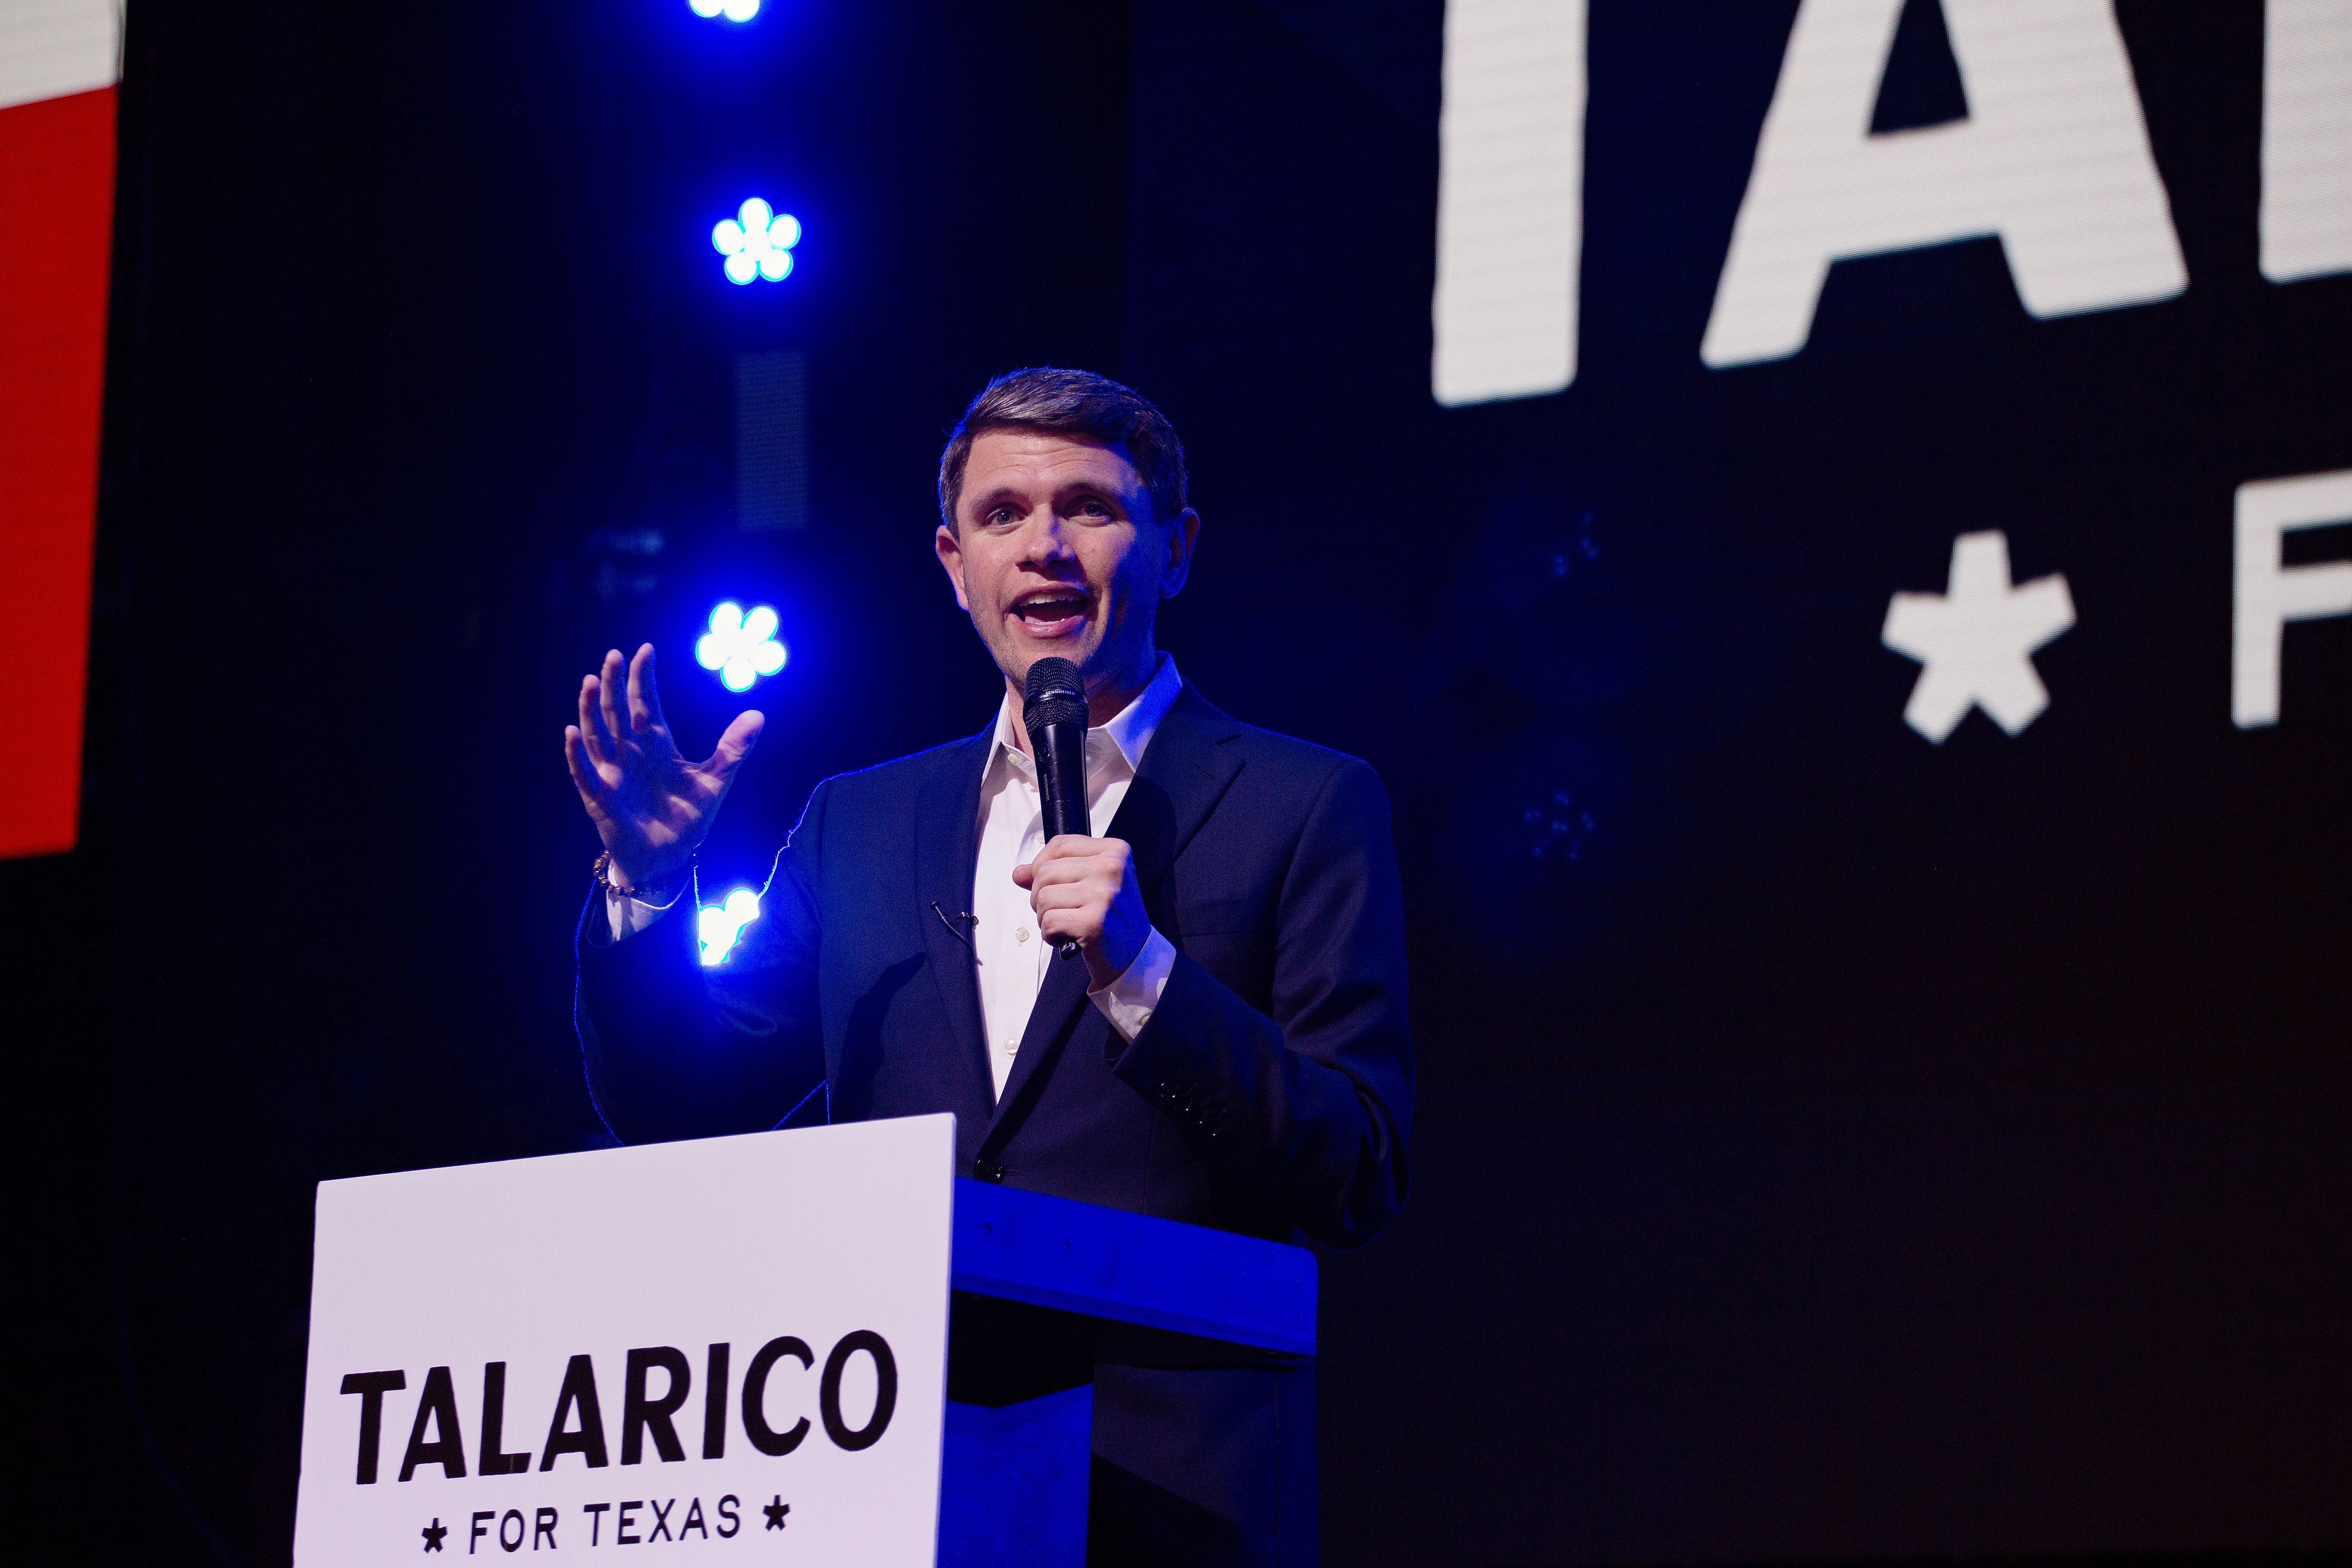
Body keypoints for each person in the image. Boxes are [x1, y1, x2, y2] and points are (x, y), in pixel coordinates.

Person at [564, 367, 1412, 1565]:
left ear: (1176, 548)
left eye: (1093, 508)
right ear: (954, 564)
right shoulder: (861, 819)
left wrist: (1144, 979)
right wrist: (650, 889)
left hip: (1174, 1495)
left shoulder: (1305, 801)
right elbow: (678, 1117)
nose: (1046, 548)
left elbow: (1355, 1163)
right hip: (883, 1465)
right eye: (1004, 515)